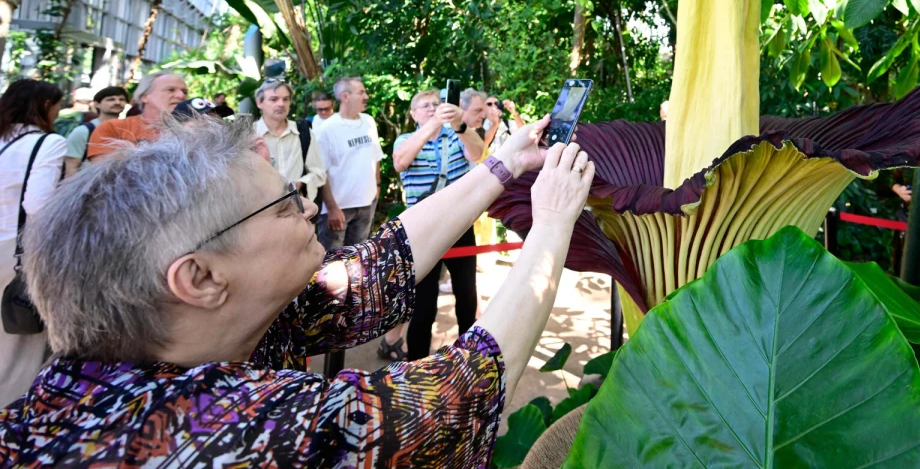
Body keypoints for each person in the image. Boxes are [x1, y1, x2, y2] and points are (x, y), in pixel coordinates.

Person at [2, 113, 594, 466]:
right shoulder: (222, 432)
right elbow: (456, 396)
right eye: (285, 204)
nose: (309, 207)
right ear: (200, 277)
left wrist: (502, 166)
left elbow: (379, 264)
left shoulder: (192, 329)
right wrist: (551, 222)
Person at [378, 89, 482, 361]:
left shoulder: (457, 134)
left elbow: (478, 153)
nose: (432, 108)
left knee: (467, 297)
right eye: (424, 106)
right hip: (422, 231)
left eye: (436, 104)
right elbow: (400, 162)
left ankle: (468, 361)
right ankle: (416, 365)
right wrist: (433, 123)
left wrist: (459, 124)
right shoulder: (406, 139)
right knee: (423, 305)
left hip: (460, 226)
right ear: (413, 114)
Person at [0, 80, 67, 406]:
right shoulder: (47, 143)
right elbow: (38, 205)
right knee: (17, 346)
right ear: (45, 105)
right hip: (14, 252)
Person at [313, 77, 385, 251]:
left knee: (358, 260)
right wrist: (331, 208)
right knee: (333, 261)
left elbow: (375, 157)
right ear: (345, 97)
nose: (366, 96)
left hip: (366, 204)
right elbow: (321, 172)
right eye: (361, 92)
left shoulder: (368, 121)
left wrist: (377, 188)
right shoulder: (327, 129)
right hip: (339, 209)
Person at [86, 72, 188, 159]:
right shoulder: (113, 128)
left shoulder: (190, 131)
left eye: (185, 92)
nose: (181, 95)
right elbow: (103, 172)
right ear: (145, 97)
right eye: (170, 90)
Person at [254, 79, 326, 201]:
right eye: (274, 99)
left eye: (286, 99)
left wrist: (300, 183)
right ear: (259, 103)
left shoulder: (303, 131)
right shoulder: (249, 134)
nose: (281, 104)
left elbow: (319, 173)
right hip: (261, 207)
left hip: (297, 207)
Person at [63, 85, 127, 177]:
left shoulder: (129, 129)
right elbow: (71, 169)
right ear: (97, 104)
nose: (117, 102)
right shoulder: (83, 131)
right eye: (111, 99)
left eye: (121, 99)